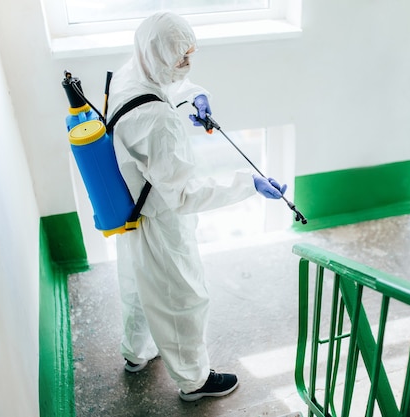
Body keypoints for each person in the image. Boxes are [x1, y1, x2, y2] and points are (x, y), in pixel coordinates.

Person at [106, 11, 286, 401]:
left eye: (190, 54)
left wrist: (194, 95)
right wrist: (248, 184)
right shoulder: (159, 121)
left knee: (137, 287)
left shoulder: (127, 74)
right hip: (159, 217)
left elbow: (160, 85)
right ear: (158, 54)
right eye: (180, 58)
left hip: (128, 208)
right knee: (184, 297)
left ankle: (136, 355)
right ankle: (194, 382)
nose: (187, 64)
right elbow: (183, 196)